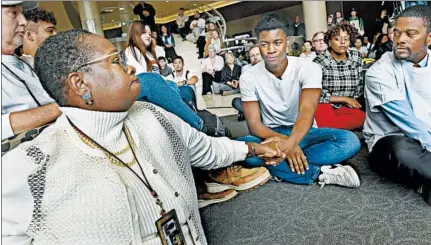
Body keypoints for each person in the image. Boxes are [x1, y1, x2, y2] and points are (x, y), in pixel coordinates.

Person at [2, 29, 283, 245]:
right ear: (80, 83)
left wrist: (253, 150)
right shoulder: (30, 167)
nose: (130, 68)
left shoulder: (152, 115)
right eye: (116, 61)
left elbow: (207, 150)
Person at [238, 15, 361, 187]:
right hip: (270, 135)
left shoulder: (308, 68)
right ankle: (320, 172)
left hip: (305, 131)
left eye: (277, 42)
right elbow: (254, 125)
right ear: (258, 46)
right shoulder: (248, 76)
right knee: (240, 147)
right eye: (264, 44)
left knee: (350, 141)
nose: (271, 49)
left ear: (287, 42)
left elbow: (307, 111)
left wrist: (291, 144)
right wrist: (287, 145)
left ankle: (278, 164)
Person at [363, 5, 431, 206]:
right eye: (397, 32)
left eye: (410, 34)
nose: (400, 39)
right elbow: (410, 124)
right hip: (394, 138)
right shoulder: (378, 72)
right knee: (401, 150)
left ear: (429, 38)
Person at [1, 1, 61, 142]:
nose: (23, 21)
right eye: (13, 13)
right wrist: (62, 108)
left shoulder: (28, 62)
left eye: (21, 13)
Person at [313, 22, 366, 130]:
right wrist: (345, 99)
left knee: (362, 117)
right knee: (325, 120)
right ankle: (330, 129)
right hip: (324, 104)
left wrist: (349, 101)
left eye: (346, 39)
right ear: (329, 42)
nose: (342, 43)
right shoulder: (319, 62)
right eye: (337, 39)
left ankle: (328, 130)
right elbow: (315, 95)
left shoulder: (356, 57)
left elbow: (360, 86)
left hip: (347, 107)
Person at [234, 45, 262, 121]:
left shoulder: (269, 66)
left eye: (257, 54)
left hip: (267, 101)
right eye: (252, 56)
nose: (255, 57)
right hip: (253, 100)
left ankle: (249, 113)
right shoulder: (246, 69)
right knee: (236, 102)